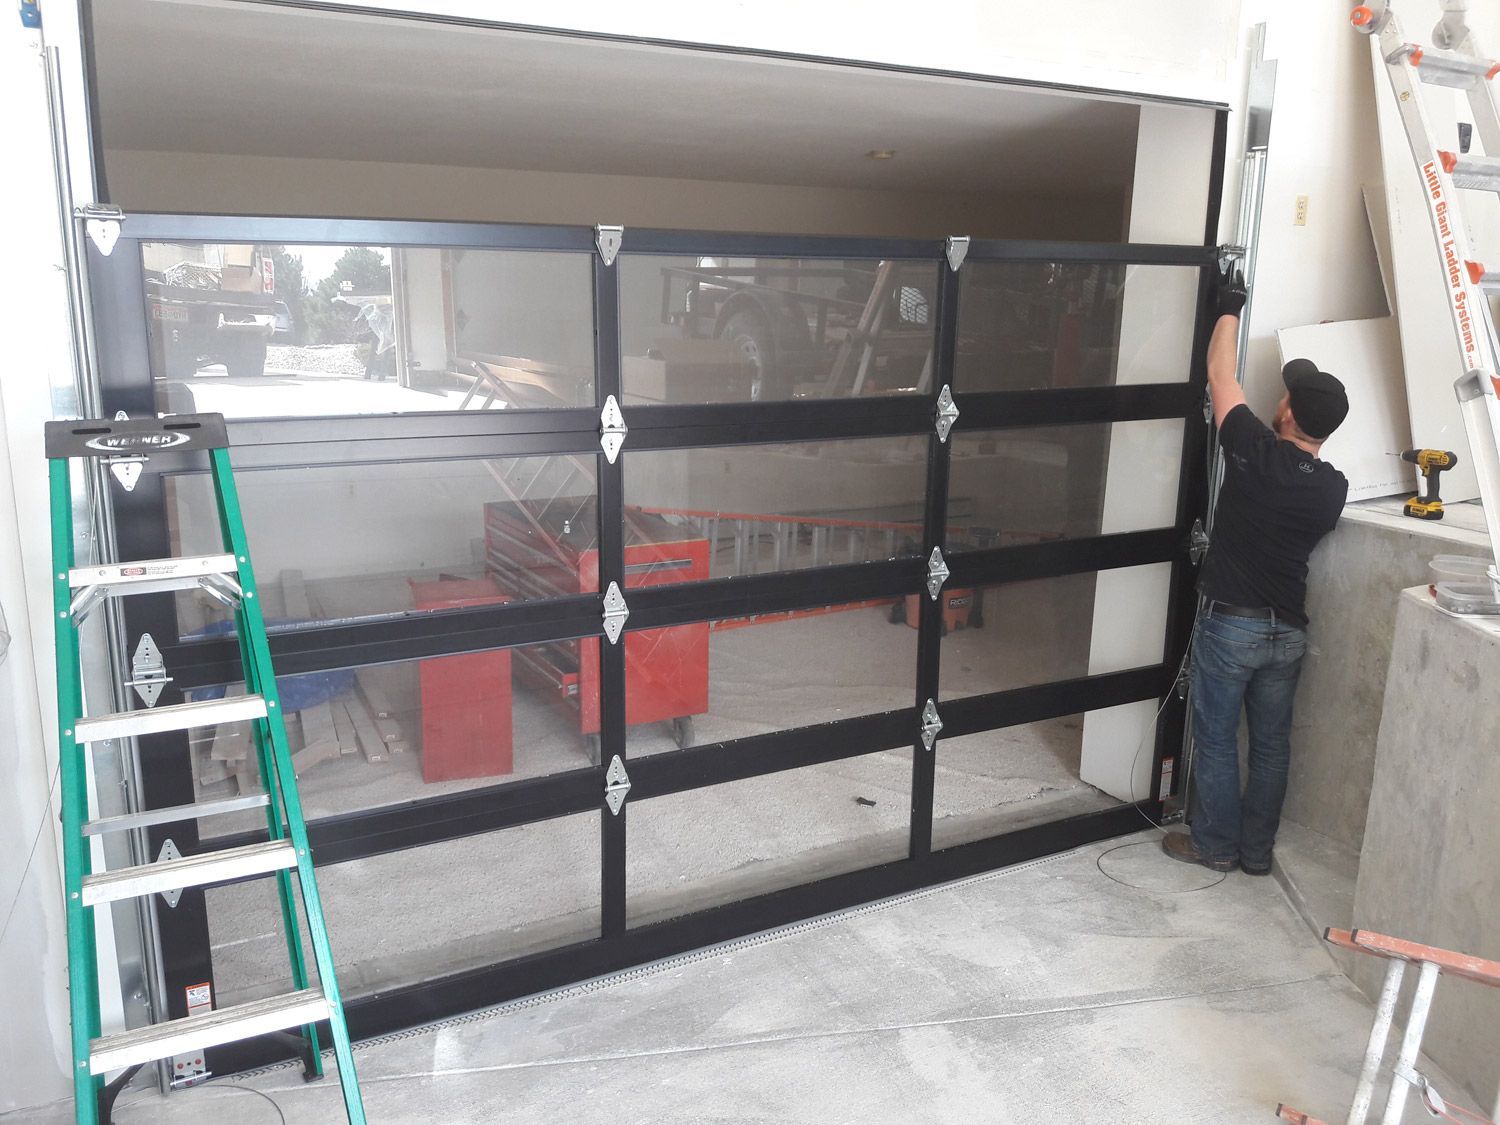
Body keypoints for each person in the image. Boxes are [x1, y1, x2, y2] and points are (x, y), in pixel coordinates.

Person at [1162, 267, 1349, 875]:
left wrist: (1228, 308)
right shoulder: (1333, 489)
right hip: (1287, 633)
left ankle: (1214, 846)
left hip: (1232, 628)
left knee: (1216, 740)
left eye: (1289, 394)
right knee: (1270, 747)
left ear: (1289, 412)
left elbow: (1221, 375)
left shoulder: (1256, 453)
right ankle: (1256, 854)